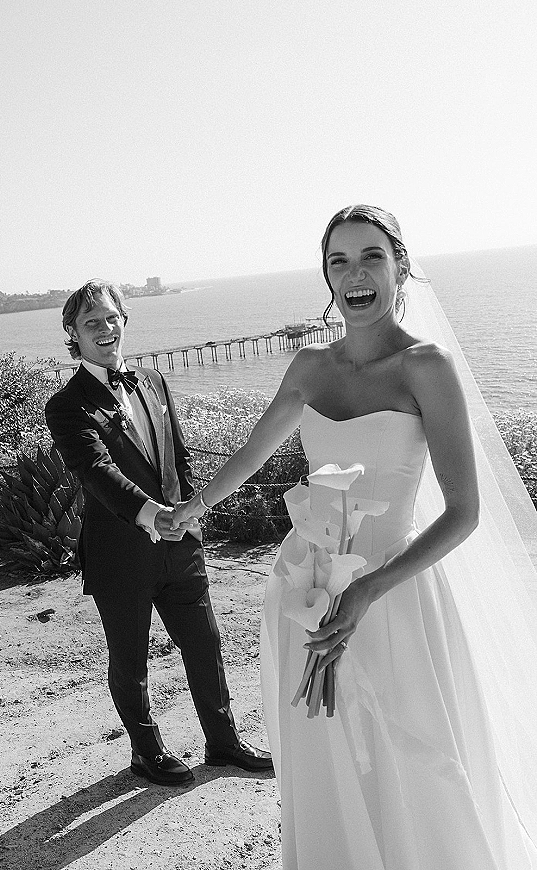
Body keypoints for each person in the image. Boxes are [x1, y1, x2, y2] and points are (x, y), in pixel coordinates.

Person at [173, 206, 537, 868]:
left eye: (370, 256)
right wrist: (188, 508)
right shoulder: (310, 366)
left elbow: (464, 512)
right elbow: (252, 455)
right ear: (327, 277)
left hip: (393, 595)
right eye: (338, 261)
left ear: (401, 266)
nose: (354, 274)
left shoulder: (427, 367)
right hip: (307, 589)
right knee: (324, 756)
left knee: (410, 762)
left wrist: (368, 590)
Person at [45, 279, 272, 787]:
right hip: (120, 554)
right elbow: (96, 473)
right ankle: (146, 752)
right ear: (72, 333)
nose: (105, 329)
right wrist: (153, 515)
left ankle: (223, 743)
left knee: (206, 644)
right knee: (130, 658)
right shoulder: (65, 405)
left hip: (181, 545)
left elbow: (179, 456)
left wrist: (190, 512)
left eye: (111, 318)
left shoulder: (153, 381)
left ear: (124, 320)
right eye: (91, 323)